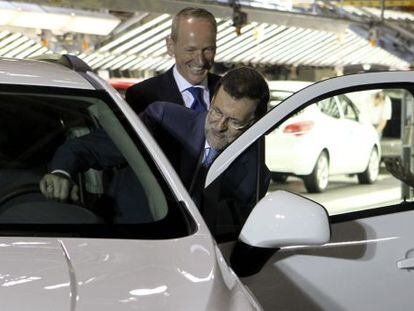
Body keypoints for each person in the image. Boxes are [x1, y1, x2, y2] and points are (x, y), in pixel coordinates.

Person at [39, 67, 270, 228]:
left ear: (255, 123)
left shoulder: (255, 174)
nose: (219, 126)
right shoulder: (163, 120)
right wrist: (61, 172)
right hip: (133, 239)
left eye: (235, 122)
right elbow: (88, 148)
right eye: (217, 111)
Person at [125, 7, 221, 114]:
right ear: (170, 47)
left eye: (208, 49)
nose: (200, 61)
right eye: (190, 50)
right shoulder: (142, 97)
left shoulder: (232, 91)